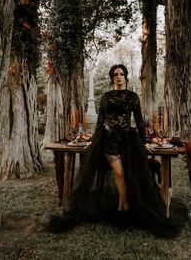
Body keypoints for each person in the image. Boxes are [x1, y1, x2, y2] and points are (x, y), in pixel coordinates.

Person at [48, 64, 179, 237]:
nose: (118, 76)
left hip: (128, 139)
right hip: (108, 140)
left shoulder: (133, 97)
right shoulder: (106, 97)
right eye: (115, 74)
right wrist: (94, 141)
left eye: (121, 74)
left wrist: (144, 141)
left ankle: (123, 205)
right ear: (112, 77)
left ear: (125, 77)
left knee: (131, 173)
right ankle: (123, 205)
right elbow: (101, 120)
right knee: (118, 173)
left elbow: (139, 121)